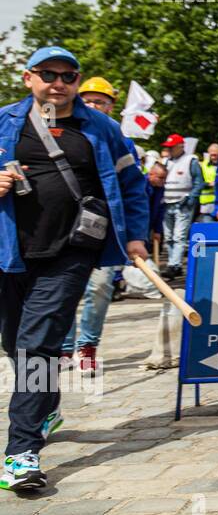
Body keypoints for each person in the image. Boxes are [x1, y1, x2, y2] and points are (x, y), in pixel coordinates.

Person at [0, 46, 149, 491]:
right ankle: (45, 406)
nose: (58, 83)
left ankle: (20, 452)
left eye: (68, 75)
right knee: (14, 342)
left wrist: (136, 234)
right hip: (10, 252)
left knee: (37, 346)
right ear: (29, 78)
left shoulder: (100, 127)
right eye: (48, 74)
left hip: (72, 252)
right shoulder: (6, 122)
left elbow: (132, 183)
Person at [59, 76, 133, 375]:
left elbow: (132, 188)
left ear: (111, 107)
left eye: (100, 102)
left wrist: (134, 233)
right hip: (64, 227)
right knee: (63, 290)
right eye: (88, 100)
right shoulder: (62, 131)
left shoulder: (119, 140)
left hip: (105, 228)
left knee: (100, 287)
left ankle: (87, 346)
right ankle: (64, 347)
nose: (93, 105)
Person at [159, 133, 202, 280]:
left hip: (182, 204)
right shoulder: (166, 162)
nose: (169, 150)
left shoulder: (191, 161)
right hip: (167, 203)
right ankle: (173, 263)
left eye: (171, 147)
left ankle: (174, 265)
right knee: (169, 237)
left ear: (180, 146)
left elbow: (198, 182)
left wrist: (190, 199)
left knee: (179, 236)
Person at [196, 143, 218, 222]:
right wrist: (208, 184)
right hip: (206, 207)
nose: (213, 157)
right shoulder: (203, 165)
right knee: (209, 230)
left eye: (215, 155)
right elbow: (198, 183)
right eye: (211, 155)